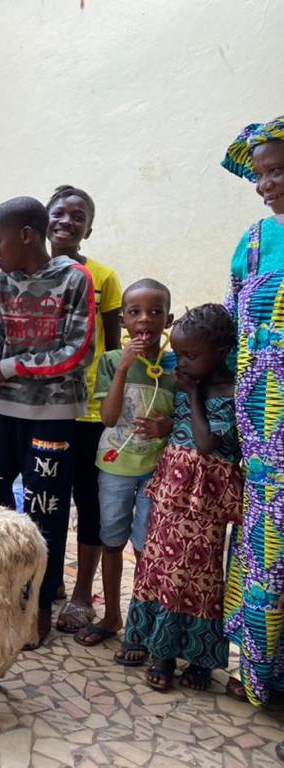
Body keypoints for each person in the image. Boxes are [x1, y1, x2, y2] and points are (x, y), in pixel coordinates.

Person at [0, 196, 95, 648]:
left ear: (26, 235)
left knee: (45, 513)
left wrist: (8, 369)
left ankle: (37, 604)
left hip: (52, 416)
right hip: (1, 414)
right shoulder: (0, 282)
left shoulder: (74, 278)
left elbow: (76, 353)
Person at [121, 304, 242, 692]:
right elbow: (185, 428)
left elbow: (207, 443)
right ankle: (160, 651)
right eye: (180, 354)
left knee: (198, 576)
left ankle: (199, 659)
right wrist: (170, 419)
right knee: (158, 565)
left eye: (191, 355)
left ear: (221, 353)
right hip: (172, 487)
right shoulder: (192, 381)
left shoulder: (230, 392)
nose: (183, 363)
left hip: (204, 498)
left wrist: (191, 394)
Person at [221, 117, 284, 707]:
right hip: (261, 428)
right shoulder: (255, 240)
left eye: (278, 171)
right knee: (265, 546)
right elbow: (232, 318)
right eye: (261, 173)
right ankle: (263, 675)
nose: (266, 184)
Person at [74, 280, 175, 649]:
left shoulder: (175, 365)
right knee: (112, 541)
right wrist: (123, 369)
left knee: (146, 545)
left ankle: (139, 624)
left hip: (155, 470)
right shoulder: (112, 360)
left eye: (155, 312)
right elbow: (109, 418)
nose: (145, 319)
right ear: (123, 321)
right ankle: (112, 615)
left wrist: (166, 425)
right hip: (115, 468)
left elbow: (180, 417)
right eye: (135, 312)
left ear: (168, 320)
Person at [46, 185, 125, 635]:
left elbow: (111, 349)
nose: (67, 222)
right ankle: (50, 581)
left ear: (89, 230)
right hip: (43, 407)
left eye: (79, 217)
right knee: (47, 498)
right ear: (45, 220)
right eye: (60, 213)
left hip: (90, 411)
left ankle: (81, 595)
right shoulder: (29, 272)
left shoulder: (104, 277)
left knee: (88, 502)